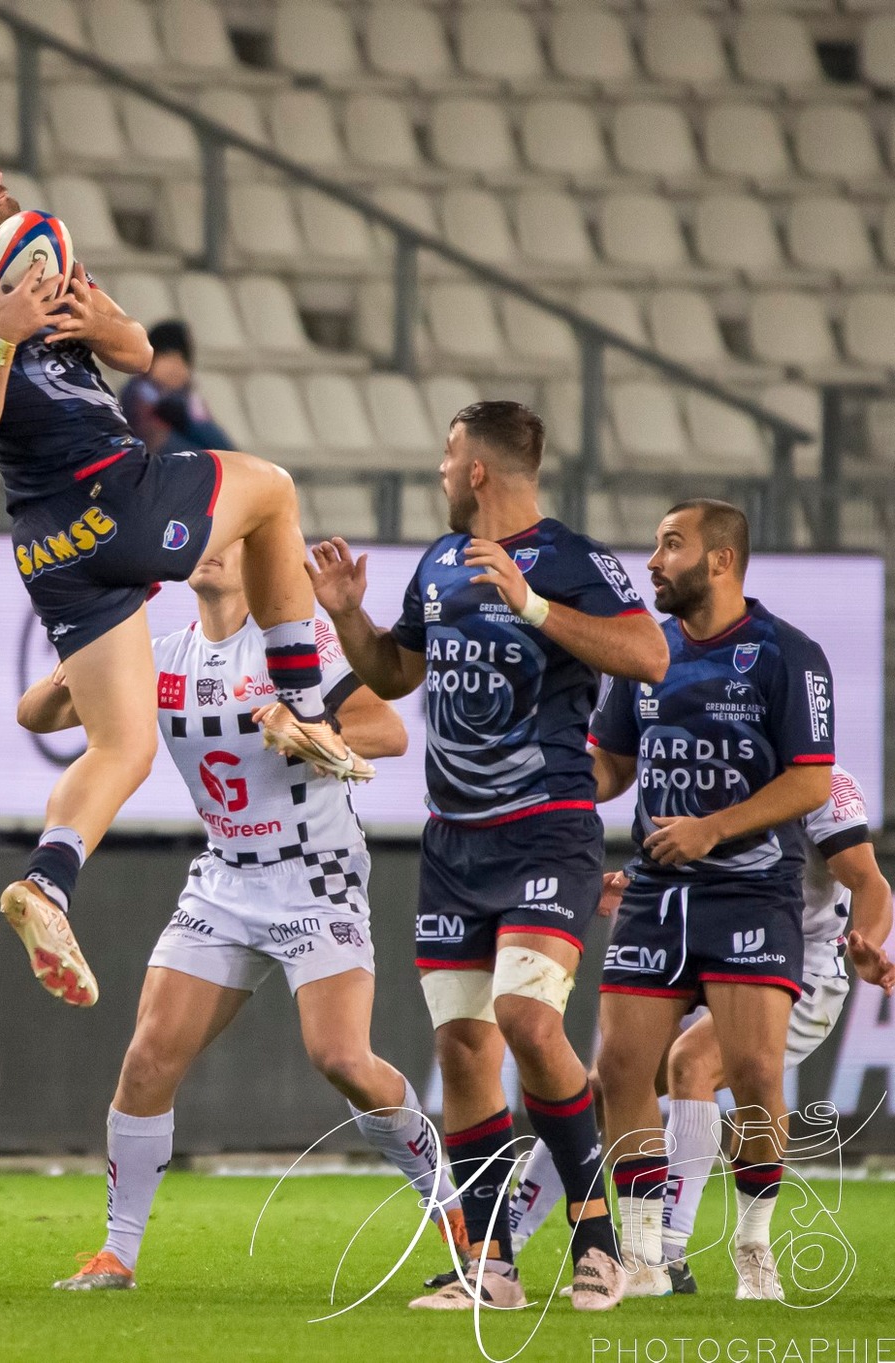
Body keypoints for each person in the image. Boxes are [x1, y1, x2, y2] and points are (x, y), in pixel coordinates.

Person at [0, 144, 363, 1010]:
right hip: (107, 488)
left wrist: (93, 324)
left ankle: (46, 882)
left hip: (51, 544)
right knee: (272, 491)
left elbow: (138, 348)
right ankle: (305, 705)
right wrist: (0, 333)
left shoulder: (42, 252)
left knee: (123, 745)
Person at [22, 542, 469, 1291]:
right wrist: (72, 670)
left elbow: (389, 732)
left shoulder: (298, 643)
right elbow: (35, 716)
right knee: (147, 1060)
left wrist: (316, 729)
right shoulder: (159, 656)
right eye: (206, 536)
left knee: (342, 1059)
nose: (212, 549)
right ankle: (117, 1255)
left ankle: (452, 1204)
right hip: (224, 880)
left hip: (315, 874)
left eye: (231, 539)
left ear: (261, 555)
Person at [309, 399, 669, 1312]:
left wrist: (534, 605)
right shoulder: (438, 562)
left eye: (447, 453)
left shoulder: (572, 559)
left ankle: (597, 1239)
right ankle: (492, 1266)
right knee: (464, 1048)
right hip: (453, 842)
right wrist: (350, 620)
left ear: (477, 469)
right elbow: (397, 673)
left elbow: (649, 654)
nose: (438, 469)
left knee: (527, 1020)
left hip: (547, 826)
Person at [506, 763, 894, 1293]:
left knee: (692, 1063)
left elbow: (868, 879)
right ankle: (505, 1243)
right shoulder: (705, 762)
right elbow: (690, 852)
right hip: (702, 940)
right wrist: (633, 879)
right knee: (605, 1086)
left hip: (799, 959)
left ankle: (688, 1252)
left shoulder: (822, 782)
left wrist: (868, 940)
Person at [584, 499, 840, 1302]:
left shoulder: (788, 654)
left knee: (757, 1071)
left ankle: (754, 1244)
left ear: (721, 560)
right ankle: (644, 1255)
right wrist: (551, 778)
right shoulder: (645, 652)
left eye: (671, 544)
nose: (653, 560)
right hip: (656, 888)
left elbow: (811, 780)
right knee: (618, 1068)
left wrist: (713, 828)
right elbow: (611, 765)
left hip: (751, 890)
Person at [119, 320, 235, 456]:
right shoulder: (138, 392)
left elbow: (210, 433)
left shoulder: (188, 399)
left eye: (180, 362)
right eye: (167, 359)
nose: (174, 369)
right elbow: (150, 437)